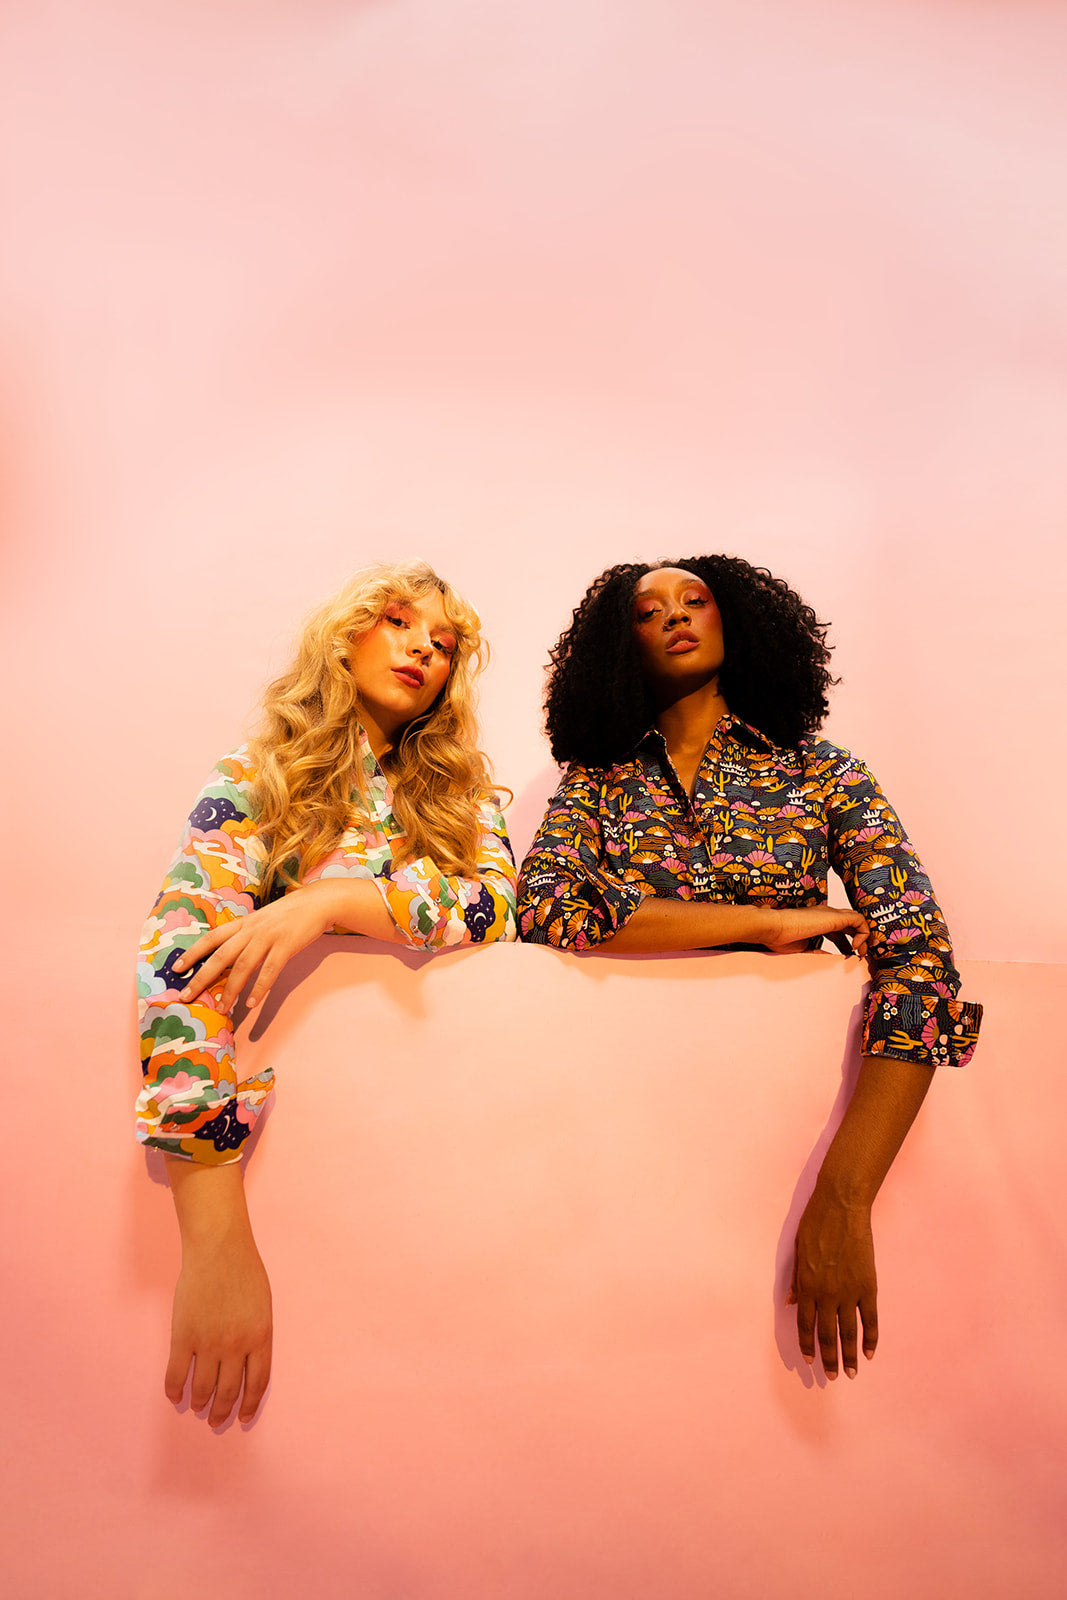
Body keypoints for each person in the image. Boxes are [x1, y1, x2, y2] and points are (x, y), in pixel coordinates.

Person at [517, 557, 981, 1381]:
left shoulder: (822, 771)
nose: (674, 616)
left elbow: (920, 961)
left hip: (789, 1129)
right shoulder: (597, 781)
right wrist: (768, 922)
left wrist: (844, 1199)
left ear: (734, 619)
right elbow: (548, 909)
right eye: (647, 611)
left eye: (693, 600)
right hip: (617, 1129)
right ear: (620, 646)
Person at [137, 561, 516, 1426]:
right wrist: (215, 1237)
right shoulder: (259, 773)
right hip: (304, 1165)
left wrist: (338, 900)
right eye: (397, 622)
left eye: (443, 643)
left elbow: (496, 907)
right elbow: (177, 965)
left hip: (457, 1152)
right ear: (344, 637)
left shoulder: (462, 795)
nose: (422, 648)